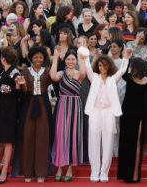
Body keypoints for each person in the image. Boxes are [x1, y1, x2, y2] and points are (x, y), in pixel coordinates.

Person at [82, 48, 132, 183]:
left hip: (109, 112)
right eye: (99, 65)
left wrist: (126, 58)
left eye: (104, 65)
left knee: (108, 142)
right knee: (94, 141)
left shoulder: (112, 79)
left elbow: (121, 71)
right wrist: (86, 55)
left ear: (108, 66)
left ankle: (104, 172)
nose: (102, 67)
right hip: (95, 112)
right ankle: (94, 171)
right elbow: (87, 67)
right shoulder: (94, 78)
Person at [49, 48, 87, 182]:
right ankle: (59, 166)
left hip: (75, 105)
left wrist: (81, 55)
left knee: (72, 135)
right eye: (68, 59)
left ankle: (70, 167)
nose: (71, 61)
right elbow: (52, 76)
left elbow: (83, 72)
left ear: (76, 61)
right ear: (65, 61)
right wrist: (55, 58)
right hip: (63, 105)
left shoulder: (79, 74)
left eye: (73, 59)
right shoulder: (61, 73)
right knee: (60, 136)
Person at [16, 46, 53, 183]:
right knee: (28, 136)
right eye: (36, 57)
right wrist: (21, 84)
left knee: (42, 137)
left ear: (44, 59)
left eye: (41, 57)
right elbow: (24, 91)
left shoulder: (47, 71)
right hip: (29, 103)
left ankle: (41, 172)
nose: (38, 59)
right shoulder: (25, 71)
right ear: (31, 58)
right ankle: (28, 172)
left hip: (43, 104)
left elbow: (53, 81)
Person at [0, 47, 23, 184]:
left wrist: (13, 89)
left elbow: (21, 94)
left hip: (10, 111)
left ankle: (4, 171)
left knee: (8, 141)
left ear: (3, 59)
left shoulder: (15, 73)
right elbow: (1, 91)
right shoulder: (1, 73)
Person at [117, 57, 147, 183]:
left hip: (141, 117)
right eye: (132, 66)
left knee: (137, 144)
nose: (132, 69)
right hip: (127, 115)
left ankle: (135, 175)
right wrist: (126, 57)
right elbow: (122, 71)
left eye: (134, 66)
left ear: (140, 68)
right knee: (126, 143)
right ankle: (126, 174)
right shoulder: (129, 78)